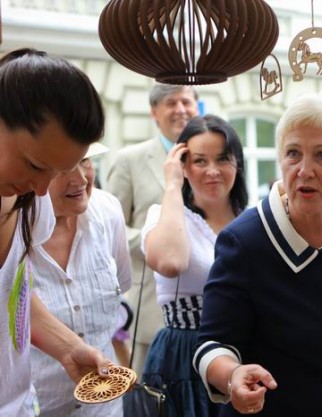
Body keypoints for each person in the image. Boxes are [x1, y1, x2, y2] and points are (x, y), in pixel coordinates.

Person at [193, 92, 322, 417]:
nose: (304, 170)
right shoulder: (244, 240)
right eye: (293, 153)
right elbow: (211, 345)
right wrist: (232, 376)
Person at [0, 48, 112, 416]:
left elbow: (12, 294)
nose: (42, 189)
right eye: (35, 165)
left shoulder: (32, 206)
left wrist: (67, 346)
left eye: (57, 171)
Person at [140, 114, 248, 417]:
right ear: (183, 165)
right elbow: (170, 262)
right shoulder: (165, 216)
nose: (212, 171)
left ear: (237, 163)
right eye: (200, 161)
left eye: (222, 159)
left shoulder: (252, 219)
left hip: (244, 350)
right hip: (184, 356)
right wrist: (172, 185)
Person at [29, 143, 132, 416]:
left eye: (85, 160)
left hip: (105, 408)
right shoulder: (11, 227)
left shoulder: (108, 212)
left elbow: (121, 286)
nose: (81, 178)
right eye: (63, 168)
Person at [105, 83, 199, 379]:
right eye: (171, 103)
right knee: (149, 395)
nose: (181, 109)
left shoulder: (210, 158)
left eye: (186, 102)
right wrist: (156, 241)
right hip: (149, 312)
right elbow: (112, 227)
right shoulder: (128, 160)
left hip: (206, 313)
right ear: (154, 112)